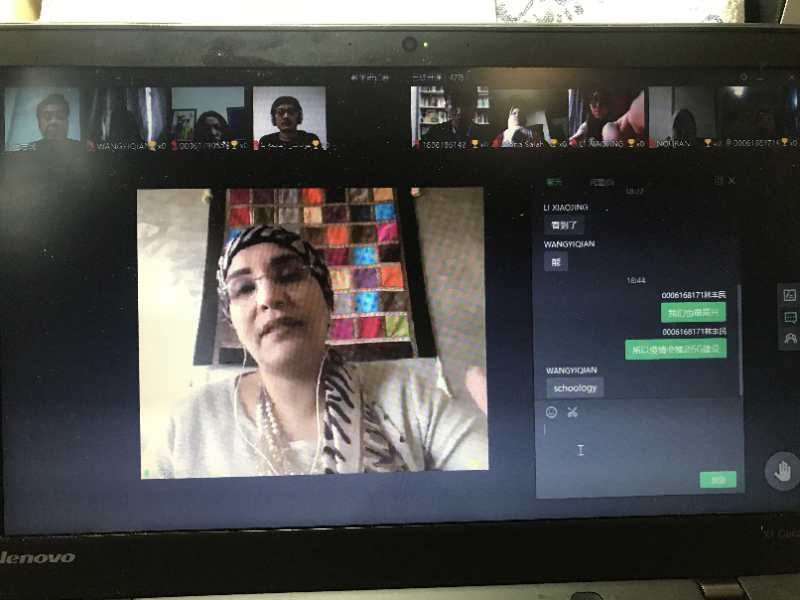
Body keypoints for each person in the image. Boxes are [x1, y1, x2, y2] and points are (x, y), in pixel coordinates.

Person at [144, 225, 488, 478]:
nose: (268, 298)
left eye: (289, 275)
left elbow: (484, 470)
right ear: (232, 322)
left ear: (328, 301)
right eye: (245, 288)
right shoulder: (188, 423)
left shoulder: (408, 396)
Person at [420, 85, 488, 146]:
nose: (459, 112)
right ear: (446, 107)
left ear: (475, 107)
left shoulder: (485, 135)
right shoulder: (434, 133)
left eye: (465, 105)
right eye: (454, 104)